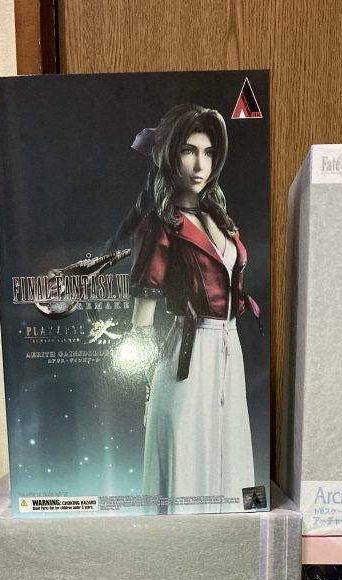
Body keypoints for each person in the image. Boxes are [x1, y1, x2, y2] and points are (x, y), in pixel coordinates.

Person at [109, 103, 260, 513]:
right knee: (187, 466)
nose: (199, 164)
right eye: (188, 151)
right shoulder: (159, 225)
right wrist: (147, 391)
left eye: (208, 152)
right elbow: (141, 325)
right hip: (186, 358)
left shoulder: (220, 218)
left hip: (229, 347)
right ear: (169, 155)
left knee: (232, 458)